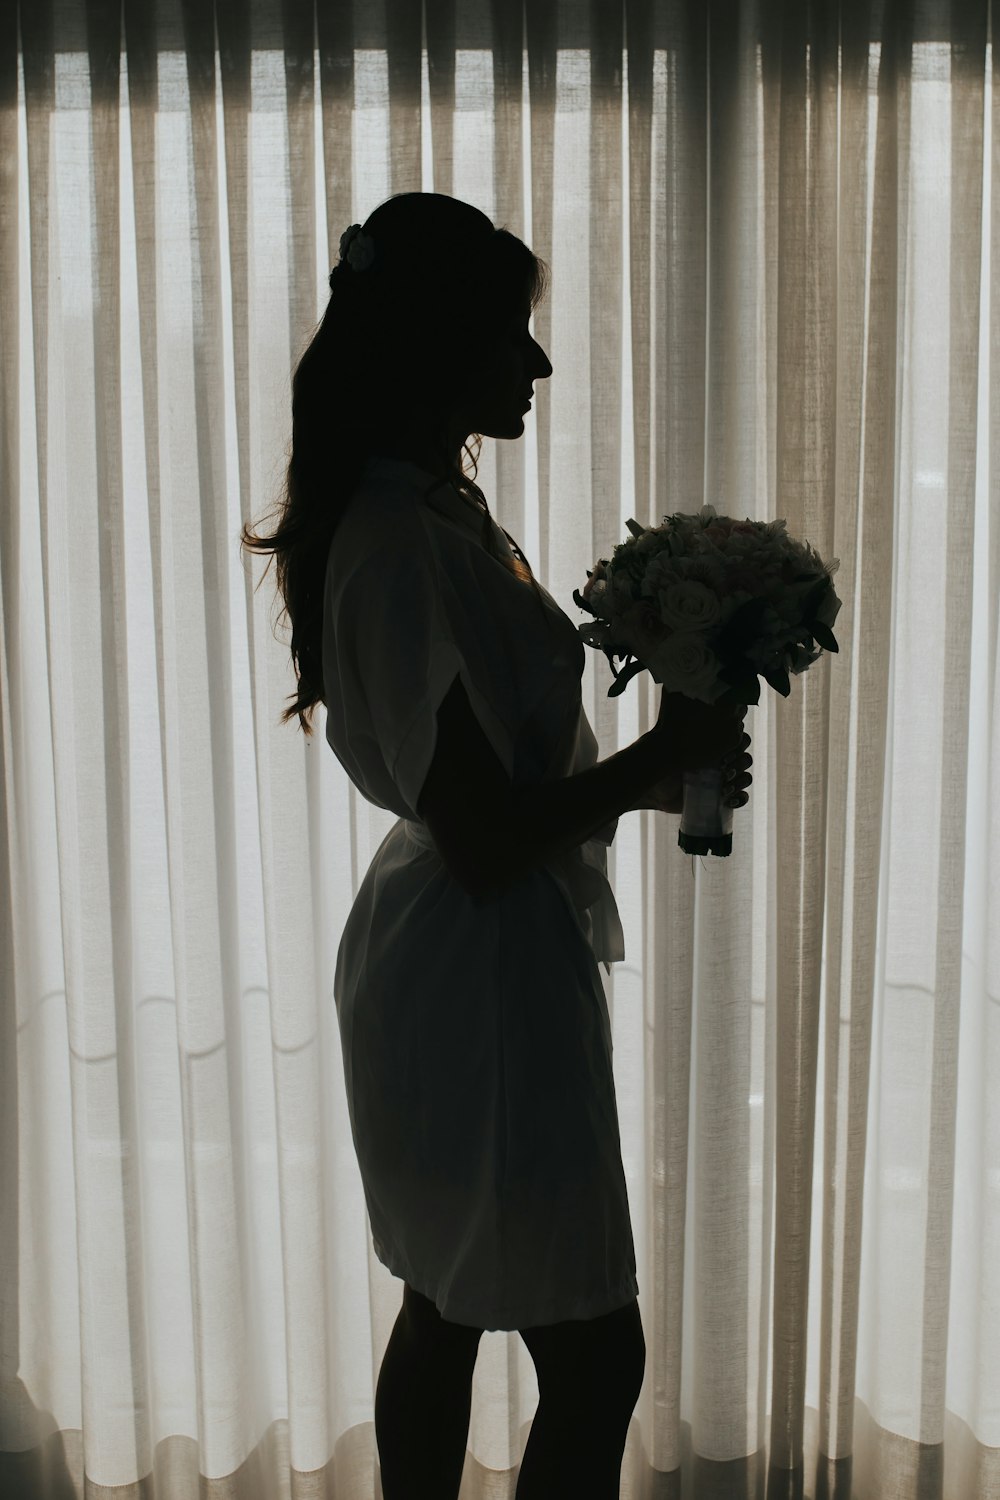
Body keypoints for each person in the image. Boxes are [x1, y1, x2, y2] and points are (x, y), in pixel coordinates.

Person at [240, 192, 752, 1500]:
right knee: (593, 1356)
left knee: (450, 1299)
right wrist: (651, 767)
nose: (538, 363)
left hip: (464, 950)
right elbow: (476, 835)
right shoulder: (399, 541)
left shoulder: (434, 510)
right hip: (478, 969)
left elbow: (482, 797)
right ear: (433, 344)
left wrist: (654, 776)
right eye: (512, 334)